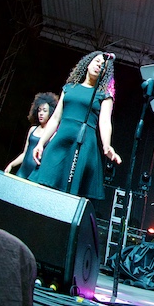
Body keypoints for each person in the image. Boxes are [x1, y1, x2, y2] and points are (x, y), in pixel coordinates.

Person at [30, 52, 121, 201]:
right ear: (87, 63)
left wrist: (107, 145)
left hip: (84, 143)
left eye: (103, 65)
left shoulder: (104, 95)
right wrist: (41, 143)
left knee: (71, 190)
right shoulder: (69, 88)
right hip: (61, 139)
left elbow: (104, 122)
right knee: (46, 178)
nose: (99, 64)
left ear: (105, 73)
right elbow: (55, 119)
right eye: (96, 61)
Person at [4, 92, 58, 179]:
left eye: (44, 111)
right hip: (22, 172)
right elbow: (25, 153)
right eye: (39, 110)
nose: (41, 113)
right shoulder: (32, 129)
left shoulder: (53, 134)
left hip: (36, 175)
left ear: (51, 112)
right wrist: (11, 164)